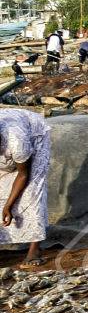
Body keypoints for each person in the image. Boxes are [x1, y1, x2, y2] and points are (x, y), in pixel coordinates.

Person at [0, 109, 52, 267]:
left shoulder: (16, 140)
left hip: (34, 133)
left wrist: (8, 206)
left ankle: (34, 250)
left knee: (32, 191)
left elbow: (23, 175)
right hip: (11, 126)